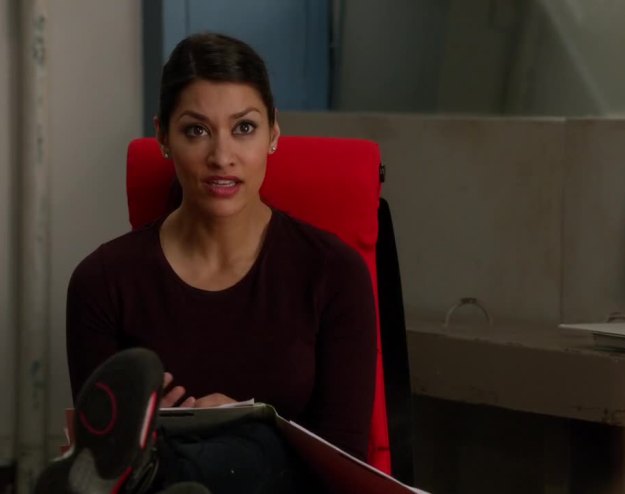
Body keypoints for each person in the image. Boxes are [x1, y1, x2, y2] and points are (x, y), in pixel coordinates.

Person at [37, 32, 377, 493]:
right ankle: (156, 464)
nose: (221, 157)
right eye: (196, 130)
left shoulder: (334, 273)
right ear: (163, 136)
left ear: (274, 133)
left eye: (244, 128)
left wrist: (239, 425)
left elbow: (345, 465)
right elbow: (98, 441)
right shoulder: (101, 282)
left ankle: (162, 465)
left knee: (252, 443)